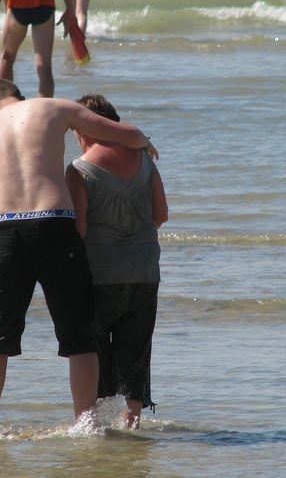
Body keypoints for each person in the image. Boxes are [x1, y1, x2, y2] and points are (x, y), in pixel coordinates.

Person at [0, 80, 158, 434]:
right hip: (55, 226)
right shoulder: (50, 106)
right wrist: (145, 144)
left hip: (8, 231)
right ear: (21, 98)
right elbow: (121, 133)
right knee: (79, 338)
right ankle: (84, 426)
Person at [65, 94, 168, 429]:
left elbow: (79, 229)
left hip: (100, 271)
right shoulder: (144, 159)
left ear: (87, 126)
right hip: (143, 267)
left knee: (96, 348)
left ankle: (96, 423)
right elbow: (161, 215)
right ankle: (133, 420)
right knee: (136, 347)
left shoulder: (79, 170)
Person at [0, 0, 75, 98]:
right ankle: (43, 110)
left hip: (18, 5)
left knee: (7, 58)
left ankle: (6, 106)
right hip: (45, 6)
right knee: (44, 67)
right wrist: (70, 10)